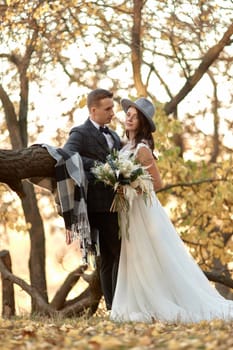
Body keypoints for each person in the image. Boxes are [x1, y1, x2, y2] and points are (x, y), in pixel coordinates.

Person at [110, 97, 233, 323]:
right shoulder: (122, 145)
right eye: (128, 113)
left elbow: (157, 183)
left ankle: (161, 299)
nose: (128, 117)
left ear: (143, 123)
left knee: (153, 253)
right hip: (129, 211)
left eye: (135, 116)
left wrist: (131, 186)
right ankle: (139, 300)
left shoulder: (142, 149)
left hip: (144, 210)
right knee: (135, 255)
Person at [63, 88, 122, 310]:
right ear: (93, 110)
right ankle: (118, 305)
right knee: (116, 255)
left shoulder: (114, 135)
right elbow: (68, 154)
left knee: (108, 258)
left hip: (117, 204)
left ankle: (113, 307)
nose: (112, 113)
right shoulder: (80, 133)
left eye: (113, 108)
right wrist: (98, 167)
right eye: (108, 109)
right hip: (97, 206)